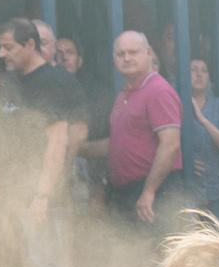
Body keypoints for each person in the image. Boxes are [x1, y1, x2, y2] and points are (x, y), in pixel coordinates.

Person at [0, 18, 86, 267]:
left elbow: (58, 142)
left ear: (30, 46)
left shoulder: (54, 83)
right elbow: (11, 134)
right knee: (31, 265)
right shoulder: (13, 83)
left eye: (8, 47)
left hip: (45, 195)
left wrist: (43, 195)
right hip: (17, 193)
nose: (2, 53)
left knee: (50, 266)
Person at [76, 31, 181, 229]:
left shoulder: (158, 90)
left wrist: (149, 192)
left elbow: (170, 144)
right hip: (126, 193)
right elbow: (117, 143)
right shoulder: (124, 96)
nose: (126, 58)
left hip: (154, 193)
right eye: (120, 54)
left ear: (148, 53)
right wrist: (75, 148)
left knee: (152, 255)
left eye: (133, 52)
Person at [183, 58, 219, 232]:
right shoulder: (177, 106)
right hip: (188, 192)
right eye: (193, 69)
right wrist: (185, 160)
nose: (199, 74)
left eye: (204, 70)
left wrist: (202, 119)